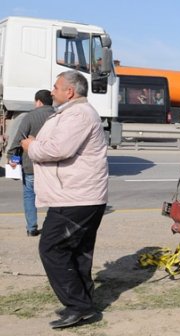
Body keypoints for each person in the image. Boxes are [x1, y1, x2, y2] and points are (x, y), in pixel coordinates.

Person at [21, 70, 108, 329]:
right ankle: (83, 303)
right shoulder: (72, 112)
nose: (52, 91)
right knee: (77, 251)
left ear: (70, 91)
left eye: (57, 87)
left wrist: (31, 146)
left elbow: (58, 149)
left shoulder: (79, 114)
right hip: (78, 195)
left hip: (76, 197)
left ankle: (79, 306)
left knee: (51, 248)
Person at [7, 90, 55, 236]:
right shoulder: (58, 116)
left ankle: (32, 228)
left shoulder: (30, 116)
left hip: (31, 165)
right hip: (53, 165)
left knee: (29, 195)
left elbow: (17, 141)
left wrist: (12, 159)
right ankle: (52, 228)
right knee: (55, 197)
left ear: (38, 101)